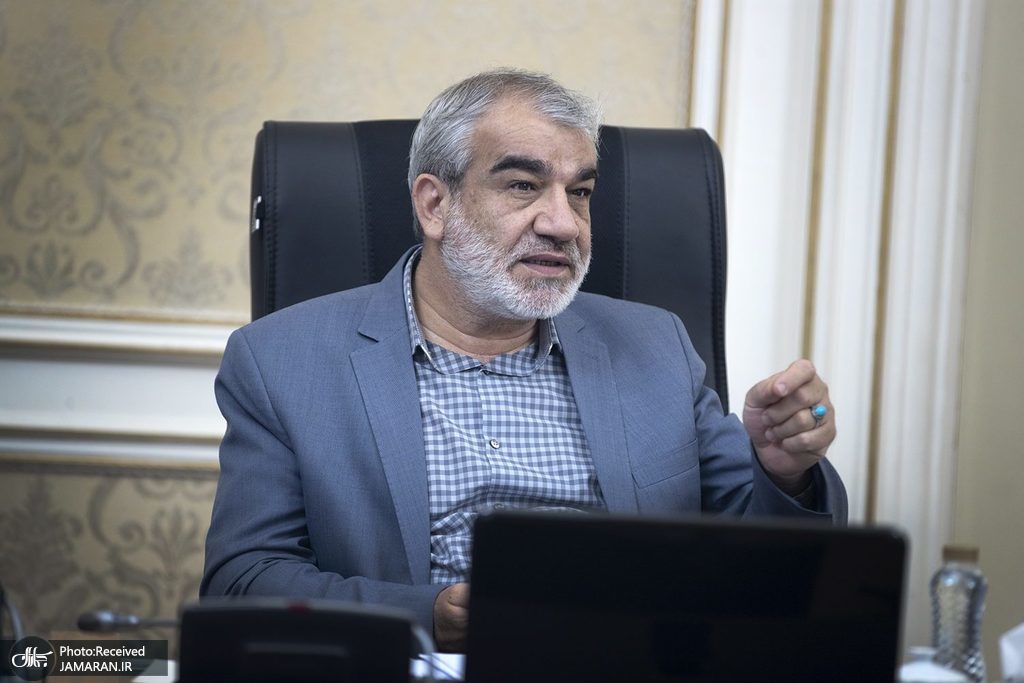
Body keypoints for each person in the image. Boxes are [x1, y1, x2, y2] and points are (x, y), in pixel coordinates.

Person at [201, 68, 846, 652]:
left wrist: (785, 473)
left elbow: (769, 570)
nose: (564, 224)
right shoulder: (281, 361)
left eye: (581, 192)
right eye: (523, 185)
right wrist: (431, 616)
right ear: (434, 205)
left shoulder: (658, 347)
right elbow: (243, 580)